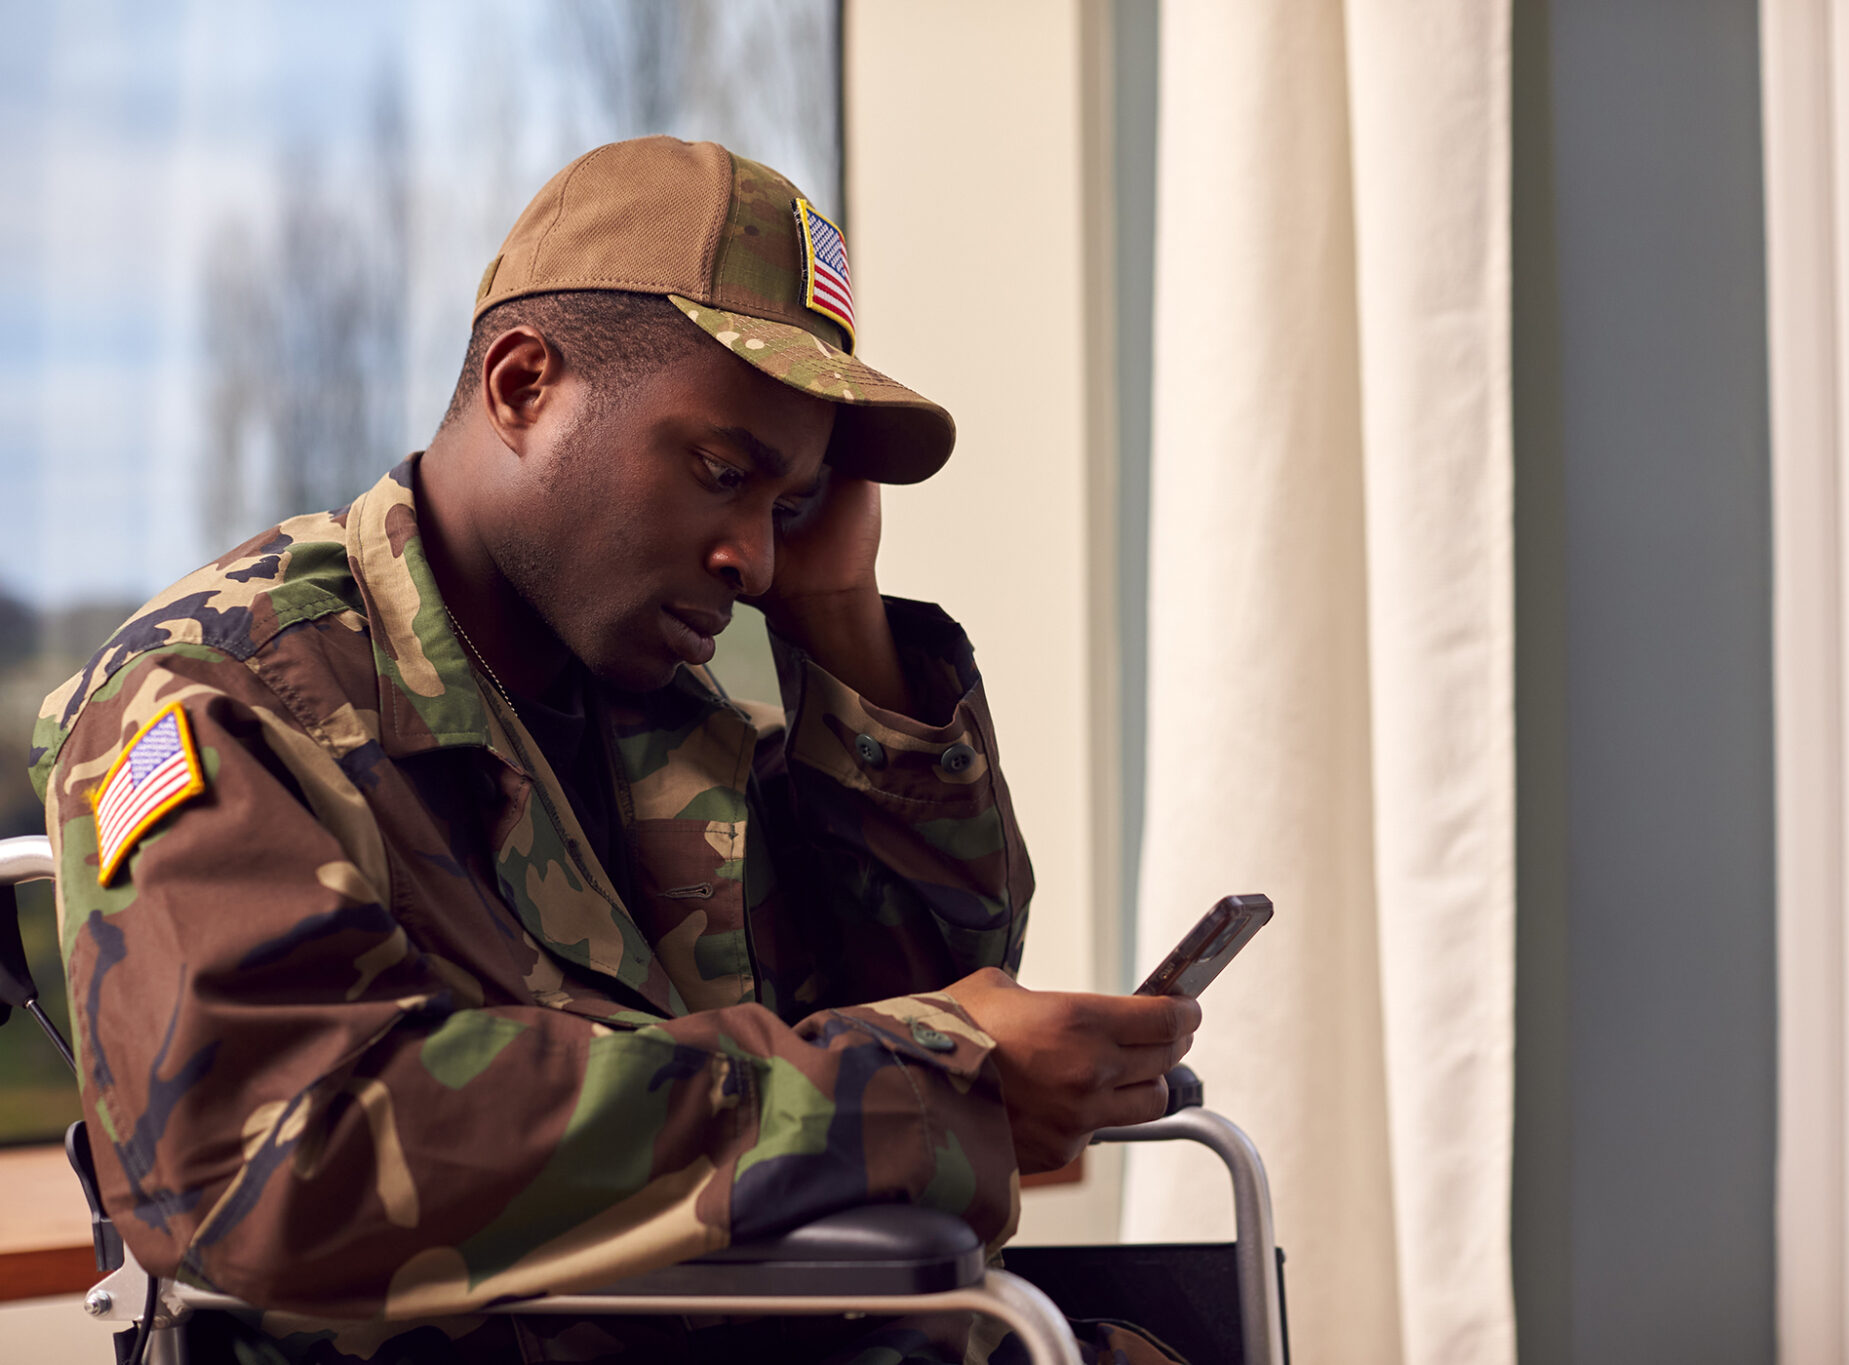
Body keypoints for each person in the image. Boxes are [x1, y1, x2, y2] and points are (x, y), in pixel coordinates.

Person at [29, 137, 1198, 1364]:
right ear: (523, 385)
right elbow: (274, 1158)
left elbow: (925, 979)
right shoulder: (224, 688)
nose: (750, 555)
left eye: (787, 504)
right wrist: (915, 1083)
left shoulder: (660, 715)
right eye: (718, 470)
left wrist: (839, 612)